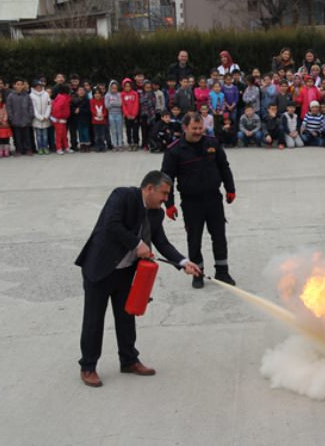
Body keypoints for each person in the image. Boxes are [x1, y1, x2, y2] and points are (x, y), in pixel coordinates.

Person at [75, 170, 201, 387]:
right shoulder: (122, 196)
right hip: (100, 268)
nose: (165, 199)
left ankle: (129, 360)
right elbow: (112, 225)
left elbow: (161, 242)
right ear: (149, 188)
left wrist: (183, 262)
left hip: (125, 272)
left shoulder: (156, 213)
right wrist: (137, 244)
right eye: (163, 194)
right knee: (94, 320)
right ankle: (88, 366)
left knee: (126, 317)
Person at [162, 113, 236, 289]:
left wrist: (230, 188)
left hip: (213, 199)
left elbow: (224, 167)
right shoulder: (174, 151)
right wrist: (169, 203)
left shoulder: (212, 143)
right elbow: (166, 179)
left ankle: (222, 271)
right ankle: (198, 273)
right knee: (194, 239)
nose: (198, 132)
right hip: (191, 203)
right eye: (194, 128)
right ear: (185, 128)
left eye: (200, 128)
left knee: (219, 236)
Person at [6, 77, 35, 156]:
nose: (19, 86)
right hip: (16, 120)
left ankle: (28, 149)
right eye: (17, 84)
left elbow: (30, 106)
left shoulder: (27, 95)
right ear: (14, 85)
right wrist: (11, 118)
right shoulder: (10, 96)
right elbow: (9, 108)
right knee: (17, 137)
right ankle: (18, 150)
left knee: (27, 136)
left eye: (21, 84)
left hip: (26, 119)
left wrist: (30, 116)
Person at [30, 79, 51, 155]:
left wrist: (46, 116)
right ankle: (40, 148)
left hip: (46, 119)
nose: (39, 88)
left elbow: (49, 105)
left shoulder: (46, 94)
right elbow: (33, 108)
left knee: (45, 135)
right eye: (37, 87)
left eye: (40, 86)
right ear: (34, 87)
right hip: (37, 120)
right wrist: (40, 117)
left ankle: (45, 147)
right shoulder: (31, 95)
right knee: (38, 135)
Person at [51, 84, 72, 155]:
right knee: (59, 135)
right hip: (59, 119)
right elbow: (57, 108)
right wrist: (58, 117)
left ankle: (66, 147)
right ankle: (59, 148)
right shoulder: (62, 97)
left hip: (62, 119)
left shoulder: (63, 97)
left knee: (63, 134)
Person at [71, 86, 91, 152]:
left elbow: (88, 110)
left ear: (85, 92)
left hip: (85, 119)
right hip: (78, 120)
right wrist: (75, 110)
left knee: (86, 133)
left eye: (83, 90)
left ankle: (87, 145)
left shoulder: (87, 100)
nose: (81, 91)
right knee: (80, 133)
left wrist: (80, 110)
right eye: (80, 90)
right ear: (77, 92)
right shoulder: (74, 100)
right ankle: (82, 145)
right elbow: (72, 109)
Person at [121, 79, 140, 151]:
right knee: (128, 130)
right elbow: (123, 105)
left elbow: (136, 104)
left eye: (129, 86)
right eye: (126, 86)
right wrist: (127, 114)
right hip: (127, 116)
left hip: (134, 115)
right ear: (123, 87)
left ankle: (135, 143)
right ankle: (130, 143)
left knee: (135, 130)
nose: (127, 88)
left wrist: (134, 114)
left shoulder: (135, 93)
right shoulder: (122, 94)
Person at [105, 81, 124, 151]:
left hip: (119, 114)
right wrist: (114, 103)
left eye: (115, 88)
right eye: (113, 88)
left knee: (119, 130)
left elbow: (120, 104)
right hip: (111, 115)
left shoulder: (119, 94)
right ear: (110, 88)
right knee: (113, 130)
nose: (114, 89)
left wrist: (112, 103)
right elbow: (107, 106)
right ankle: (114, 144)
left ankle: (120, 144)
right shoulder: (107, 95)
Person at [0, 91, 12, 157]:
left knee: (6, 138)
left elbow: (6, 113)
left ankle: (6, 150)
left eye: (0, 97)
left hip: (5, 125)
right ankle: (0, 151)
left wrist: (4, 119)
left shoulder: (4, 105)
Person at [90, 88, 108, 153]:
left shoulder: (103, 100)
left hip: (103, 121)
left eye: (98, 93)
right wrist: (97, 114)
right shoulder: (92, 101)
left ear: (101, 94)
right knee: (97, 135)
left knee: (102, 134)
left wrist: (103, 115)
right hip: (95, 121)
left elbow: (105, 110)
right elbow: (92, 110)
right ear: (93, 94)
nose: (97, 95)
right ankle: (97, 146)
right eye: (95, 93)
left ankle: (102, 146)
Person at [140, 81, 156, 150]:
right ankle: (144, 144)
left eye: (149, 88)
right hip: (144, 114)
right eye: (146, 87)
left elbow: (154, 102)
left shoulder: (152, 94)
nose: (148, 89)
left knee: (151, 130)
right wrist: (147, 97)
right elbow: (141, 101)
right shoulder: (141, 94)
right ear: (143, 87)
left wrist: (148, 97)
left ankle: (150, 143)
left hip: (151, 114)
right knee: (144, 131)